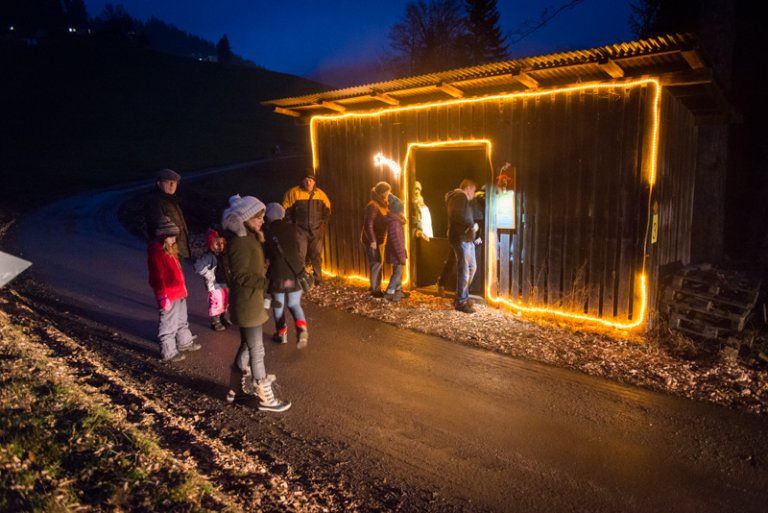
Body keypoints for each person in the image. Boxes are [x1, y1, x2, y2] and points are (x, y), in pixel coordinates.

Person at [222, 194, 290, 412]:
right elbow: (240, 275)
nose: (262, 220)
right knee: (257, 350)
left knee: (246, 345)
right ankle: (265, 396)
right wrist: (266, 282)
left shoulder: (250, 237)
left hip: (251, 300)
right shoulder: (240, 242)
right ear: (247, 216)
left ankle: (236, 390)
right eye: (259, 217)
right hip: (247, 302)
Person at [147, 216, 201, 362]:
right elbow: (156, 276)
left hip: (179, 291)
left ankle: (184, 342)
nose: (174, 240)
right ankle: (168, 351)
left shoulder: (170, 250)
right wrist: (161, 295)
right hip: (168, 294)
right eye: (171, 237)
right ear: (163, 237)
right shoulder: (156, 251)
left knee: (182, 319)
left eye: (174, 237)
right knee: (169, 322)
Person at [263, 202, 309, 349]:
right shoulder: (293, 229)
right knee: (294, 304)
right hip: (294, 274)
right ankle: (302, 330)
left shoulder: (268, 233)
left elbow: (266, 255)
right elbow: (301, 250)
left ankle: (281, 333)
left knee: (278, 305)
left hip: (278, 276)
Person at [282, 168, 331, 285]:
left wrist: (322, 225)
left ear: (314, 182)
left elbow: (328, 211)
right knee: (300, 254)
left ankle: (318, 278)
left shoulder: (321, 194)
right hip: (299, 230)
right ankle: (301, 279)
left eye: (311, 180)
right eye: (306, 180)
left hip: (316, 230)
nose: (309, 182)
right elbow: (285, 211)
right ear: (302, 181)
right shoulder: (293, 193)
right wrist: (291, 226)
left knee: (317, 255)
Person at [446, 179, 481, 313]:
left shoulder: (458, 198)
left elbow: (461, 213)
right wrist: (472, 225)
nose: (474, 194)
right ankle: (460, 302)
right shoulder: (459, 196)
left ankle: (461, 297)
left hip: (466, 238)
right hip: (461, 238)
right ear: (468, 188)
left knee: (471, 267)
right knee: (465, 270)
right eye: (474, 190)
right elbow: (458, 214)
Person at [144, 168, 191, 261]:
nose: (172, 185)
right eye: (169, 182)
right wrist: (169, 248)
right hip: (167, 251)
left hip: (177, 250)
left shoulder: (172, 200)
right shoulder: (154, 201)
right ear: (159, 183)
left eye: (175, 183)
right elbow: (158, 227)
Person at [193, 228, 231, 331]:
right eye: (216, 243)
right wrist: (209, 274)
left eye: (221, 243)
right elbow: (198, 266)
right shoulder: (208, 256)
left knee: (225, 300)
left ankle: (222, 317)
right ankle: (215, 321)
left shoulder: (225, 255)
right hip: (215, 284)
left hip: (225, 282)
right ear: (211, 244)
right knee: (216, 301)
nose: (220, 246)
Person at [361, 181, 391, 298]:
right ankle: (375, 289)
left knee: (377, 262)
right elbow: (368, 224)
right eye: (387, 192)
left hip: (378, 239)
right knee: (376, 262)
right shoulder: (373, 205)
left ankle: (374, 286)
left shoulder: (382, 204)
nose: (388, 194)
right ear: (382, 193)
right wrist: (372, 240)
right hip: (371, 240)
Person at [384, 195, 410, 303]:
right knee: (397, 272)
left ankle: (398, 290)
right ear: (397, 210)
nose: (402, 212)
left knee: (398, 271)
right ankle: (389, 292)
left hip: (395, 253)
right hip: (396, 253)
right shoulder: (395, 223)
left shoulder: (396, 221)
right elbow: (396, 242)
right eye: (401, 210)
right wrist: (401, 256)